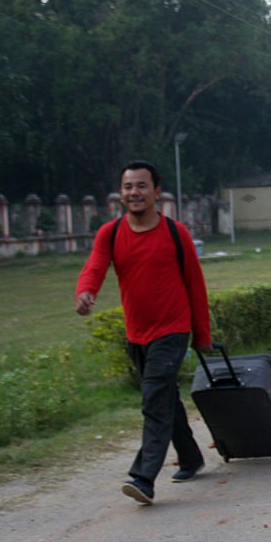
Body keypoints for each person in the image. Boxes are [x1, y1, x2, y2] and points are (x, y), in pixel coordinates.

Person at [75, 161, 211, 506]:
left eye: (141, 186)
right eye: (127, 187)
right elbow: (94, 266)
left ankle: (144, 477)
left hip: (173, 329)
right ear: (121, 193)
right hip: (137, 333)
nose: (134, 193)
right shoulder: (111, 232)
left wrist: (202, 335)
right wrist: (86, 291)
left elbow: (195, 285)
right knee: (164, 397)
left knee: (153, 399)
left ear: (156, 192)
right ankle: (192, 457)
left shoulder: (174, 232)